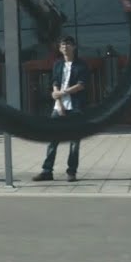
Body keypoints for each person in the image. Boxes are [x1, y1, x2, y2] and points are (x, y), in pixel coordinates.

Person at [33, 36, 87, 182]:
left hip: (75, 107)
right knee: (52, 139)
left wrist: (62, 93)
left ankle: (71, 172)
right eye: (62, 44)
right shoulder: (57, 64)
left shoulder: (81, 65)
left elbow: (81, 85)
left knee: (74, 142)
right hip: (58, 107)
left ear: (74, 47)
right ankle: (47, 171)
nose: (65, 46)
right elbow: (55, 83)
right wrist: (59, 101)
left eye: (68, 44)